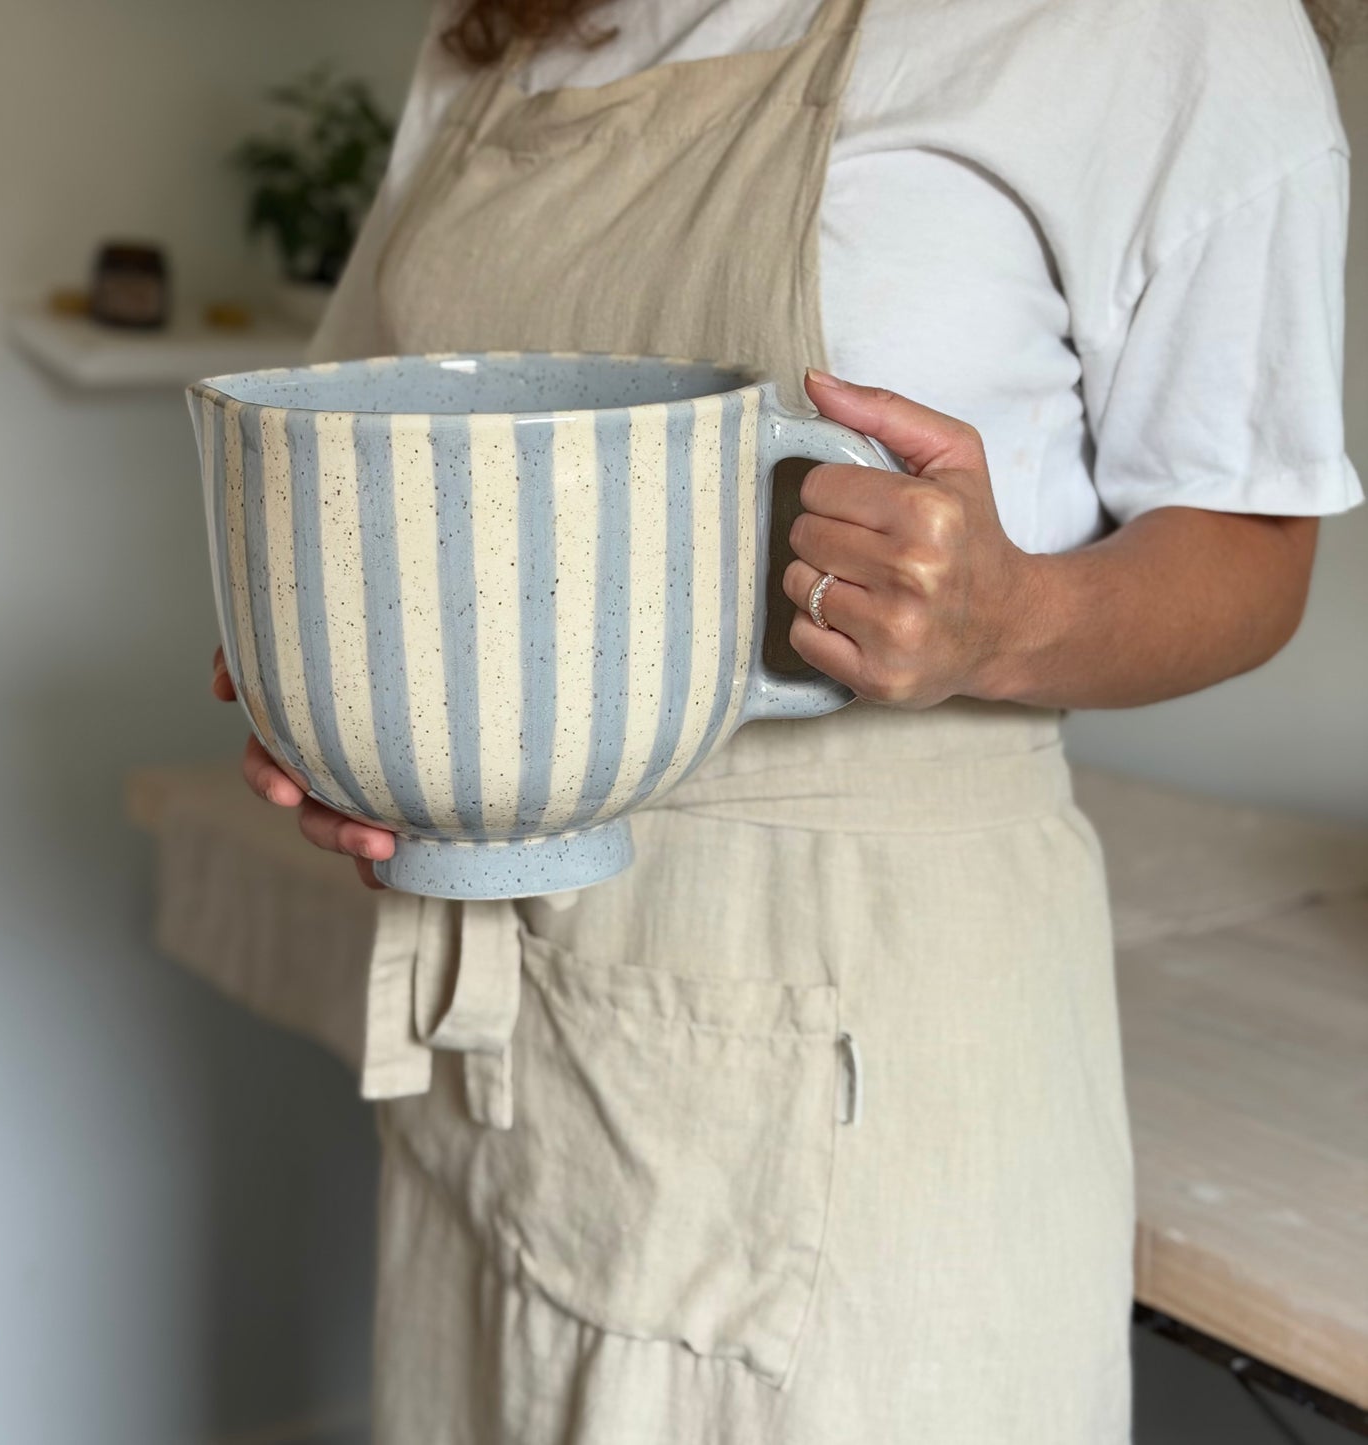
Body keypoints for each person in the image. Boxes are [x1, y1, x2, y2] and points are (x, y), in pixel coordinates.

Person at [210, 0, 1361, 1439]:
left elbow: (1252, 548)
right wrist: (346, 692)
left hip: (864, 1040)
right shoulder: (496, 28)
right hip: (489, 1028)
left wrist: (1009, 618)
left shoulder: (1165, 27)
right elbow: (359, 427)